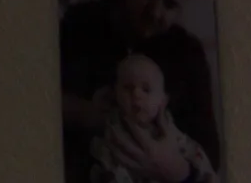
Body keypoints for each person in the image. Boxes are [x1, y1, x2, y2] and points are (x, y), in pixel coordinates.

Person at [88, 52, 216, 181]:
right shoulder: (109, 127)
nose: (136, 94)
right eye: (127, 88)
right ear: (115, 93)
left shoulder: (174, 136)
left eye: (146, 89)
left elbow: (204, 170)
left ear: (163, 101)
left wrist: (182, 173)